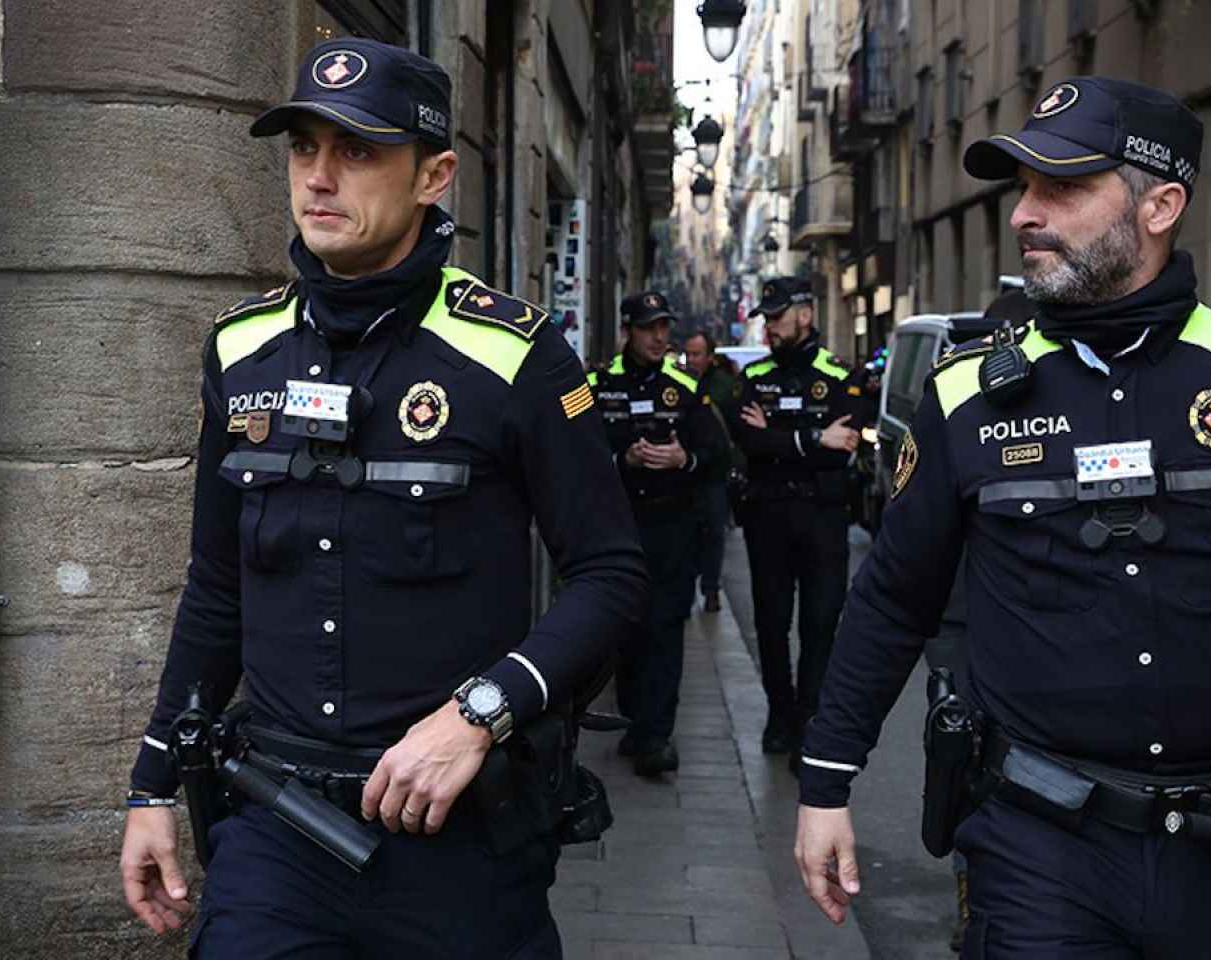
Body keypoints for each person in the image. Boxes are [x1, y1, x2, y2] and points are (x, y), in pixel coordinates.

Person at [793, 76, 1211, 958]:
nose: (1024, 215)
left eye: (1063, 188)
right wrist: (827, 781)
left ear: (1161, 206)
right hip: (1036, 849)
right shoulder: (968, 396)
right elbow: (893, 600)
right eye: (1023, 189)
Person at [117, 39, 646, 958]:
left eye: (358, 150)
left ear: (433, 174)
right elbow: (215, 586)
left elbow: (610, 575)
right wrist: (152, 786)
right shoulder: (241, 352)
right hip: (274, 830)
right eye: (303, 148)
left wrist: (480, 713)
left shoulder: (516, 357)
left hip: (459, 839)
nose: (320, 178)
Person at [732, 277, 867, 760]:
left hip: (823, 517)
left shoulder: (838, 376)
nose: (769, 326)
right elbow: (748, 443)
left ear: (805, 315)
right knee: (770, 623)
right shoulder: (755, 377)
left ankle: (809, 719)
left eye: (776, 316)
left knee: (820, 624)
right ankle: (779, 714)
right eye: (766, 317)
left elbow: (843, 449)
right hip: (767, 516)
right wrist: (812, 440)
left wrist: (780, 440)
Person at [588, 294, 723, 775]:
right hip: (618, 525)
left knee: (666, 628)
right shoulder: (597, 385)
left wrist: (682, 459)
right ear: (628, 330)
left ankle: (655, 735)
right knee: (626, 627)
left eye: (664, 327)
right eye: (649, 328)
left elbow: (717, 456)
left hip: (671, 526)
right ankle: (635, 720)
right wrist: (619, 461)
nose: (660, 337)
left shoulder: (685, 386)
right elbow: (572, 455)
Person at [684, 328, 743, 612]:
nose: (691, 360)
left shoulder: (724, 386)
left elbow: (737, 430)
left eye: (697, 354)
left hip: (715, 475)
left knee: (714, 533)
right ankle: (687, 585)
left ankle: (710, 589)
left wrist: (737, 468)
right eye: (688, 354)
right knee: (687, 534)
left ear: (710, 357)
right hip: (684, 474)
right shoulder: (679, 383)